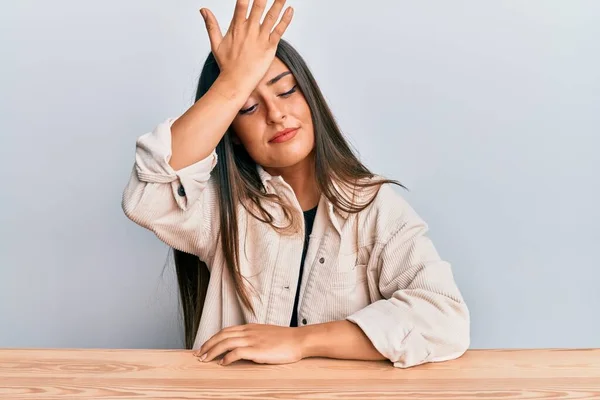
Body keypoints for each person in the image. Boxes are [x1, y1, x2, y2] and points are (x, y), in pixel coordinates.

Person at [122, 0, 470, 368]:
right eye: (247, 108)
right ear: (231, 131)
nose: (276, 114)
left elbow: (444, 319)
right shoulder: (221, 208)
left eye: (286, 91)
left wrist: (300, 341)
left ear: (310, 95)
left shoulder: (375, 207)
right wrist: (231, 85)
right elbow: (148, 196)